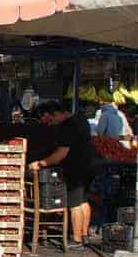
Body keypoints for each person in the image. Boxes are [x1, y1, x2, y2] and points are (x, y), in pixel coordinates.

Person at [29, 101, 97, 247]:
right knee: (84, 200)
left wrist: (41, 163)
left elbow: (61, 154)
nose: (51, 123)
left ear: (57, 114)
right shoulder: (81, 118)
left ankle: (77, 239)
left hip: (76, 168)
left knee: (74, 204)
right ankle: (84, 235)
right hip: (89, 165)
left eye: (51, 119)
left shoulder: (68, 126)